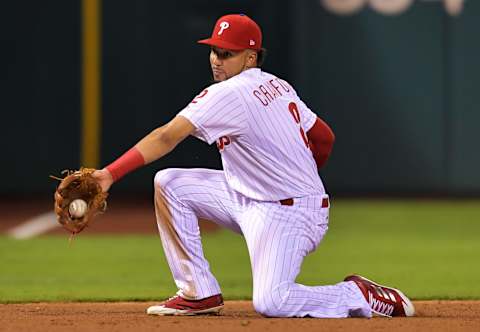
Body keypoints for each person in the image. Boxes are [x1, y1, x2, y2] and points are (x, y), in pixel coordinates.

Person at [92, 14, 415, 318]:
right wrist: (301, 174)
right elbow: (324, 137)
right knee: (171, 183)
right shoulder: (278, 85)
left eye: (227, 53)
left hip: (287, 212)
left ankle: (356, 295)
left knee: (273, 301)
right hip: (249, 197)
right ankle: (197, 292)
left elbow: (165, 137)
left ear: (250, 57)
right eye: (214, 51)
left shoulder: (229, 93)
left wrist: (109, 173)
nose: (217, 59)